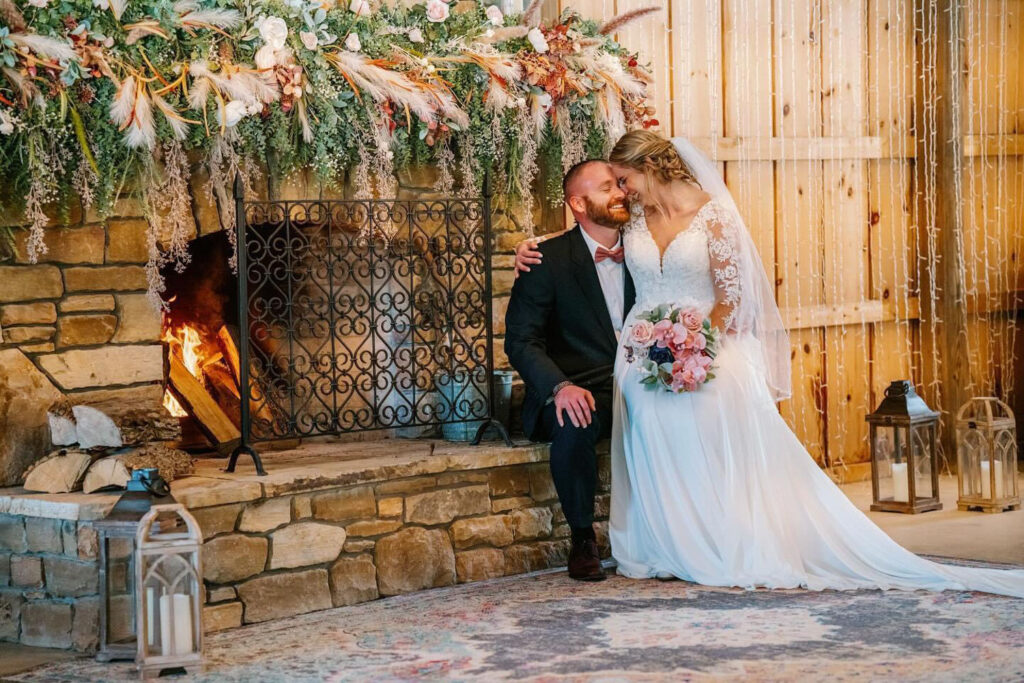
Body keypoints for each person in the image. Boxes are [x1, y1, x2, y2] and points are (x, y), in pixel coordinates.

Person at [513, 129, 1024, 598]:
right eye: (614, 184)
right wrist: (527, 248)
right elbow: (583, 242)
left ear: (650, 168)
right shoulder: (634, 221)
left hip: (705, 348)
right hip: (642, 358)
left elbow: (734, 297)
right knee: (653, 451)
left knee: (711, 443)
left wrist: (695, 345)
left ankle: (725, 541)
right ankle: (666, 545)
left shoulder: (710, 214)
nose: (622, 192)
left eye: (623, 180)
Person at [504, 160, 634, 581]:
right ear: (577, 203)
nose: (618, 192)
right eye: (604, 188)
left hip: (637, 382)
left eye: (618, 184)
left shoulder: (647, 252)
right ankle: (582, 539)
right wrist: (559, 386)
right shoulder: (545, 259)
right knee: (576, 418)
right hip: (579, 386)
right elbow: (521, 341)